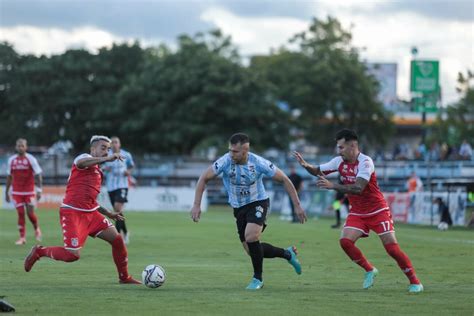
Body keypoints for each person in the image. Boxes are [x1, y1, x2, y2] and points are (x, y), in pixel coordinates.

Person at [294, 129, 423, 293]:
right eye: (338, 147)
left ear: (352, 145)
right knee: (345, 242)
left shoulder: (366, 162)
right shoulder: (338, 161)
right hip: (357, 212)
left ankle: (415, 282)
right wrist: (306, 165)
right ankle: (370, 269)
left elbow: (358, 188)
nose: (338, 151)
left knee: (392, 249)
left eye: (341, 147)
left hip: (378, 210)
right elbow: (317, 170)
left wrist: (333, 185)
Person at [190, 133, 307, 290]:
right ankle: (287, 254)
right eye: (230, 150)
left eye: (235, 151)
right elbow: (204, 177)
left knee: (251, 236)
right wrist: (196, 204)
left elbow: (285, 179)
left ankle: (257, 279)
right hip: (238, 208)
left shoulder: (258, 163)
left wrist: (297, 205)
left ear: (245, 150)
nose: (231, 154)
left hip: (258, 202)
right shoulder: (225, 161)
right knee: (251, 250)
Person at [24, 135, 141, 284]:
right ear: (93, 149)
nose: (106, 152)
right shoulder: (83, 158)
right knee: (72, 255)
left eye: (108, 149)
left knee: (117, 240)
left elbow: (91, 201)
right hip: (72, 212)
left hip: (91, 214)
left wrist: (109, 213)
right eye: (103, 148)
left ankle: (124, 277)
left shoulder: (99, 172)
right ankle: (39, 251)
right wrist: (107, 159)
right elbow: (82, 162)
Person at [5, 138, 43, 245]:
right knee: (20, 213)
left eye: (22, 146)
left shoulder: (31, 159)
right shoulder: (11, 160)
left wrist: (39, 190)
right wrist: (6, 192)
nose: (20, 147)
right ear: (16, 147)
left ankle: (36, 228)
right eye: (18, 146)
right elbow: (9, 177)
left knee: (30, 213)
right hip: (16, 192)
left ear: (26, 147)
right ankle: (22, 238)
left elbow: (38, 175)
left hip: (29, 191)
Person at [102, 136, 135, 244]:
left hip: (122, 185)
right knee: (117, 212)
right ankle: (125, 233)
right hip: (110, 186)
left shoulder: (126, 155)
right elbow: (100, 167)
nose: (115, 144)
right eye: (113, 143)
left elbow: (131, 166)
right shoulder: (106, 155)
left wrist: (128, 172)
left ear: (119, 144)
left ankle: (117, 237)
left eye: (116, 142)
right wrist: (105, 169)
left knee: (117, 208)